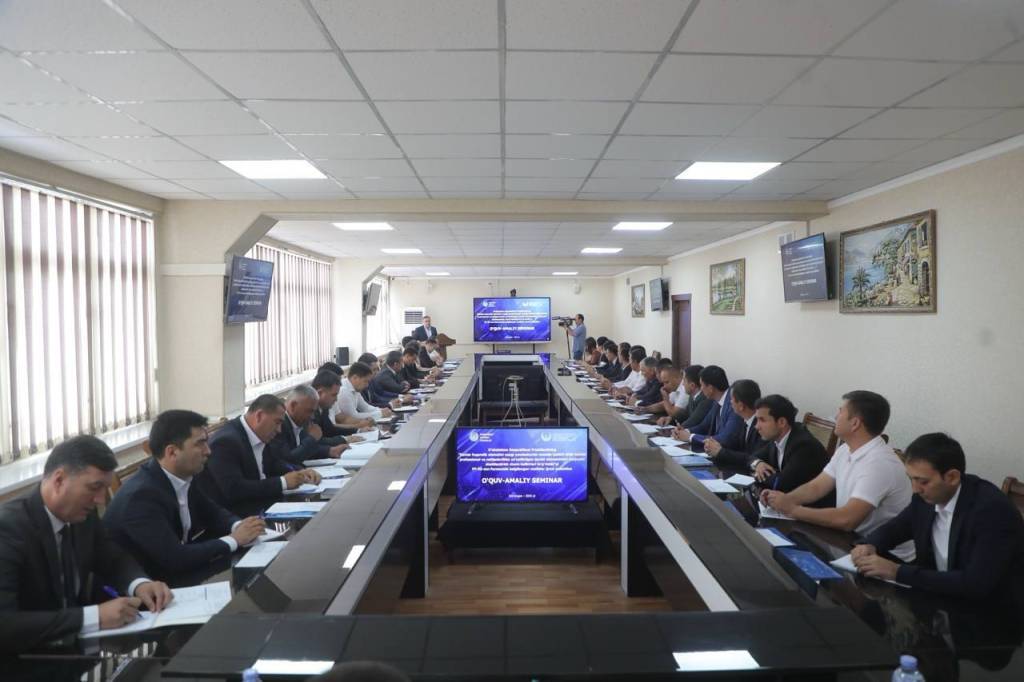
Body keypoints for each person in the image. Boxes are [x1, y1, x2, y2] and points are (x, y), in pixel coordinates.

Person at [0, 436, 172, 652]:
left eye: (104, 488)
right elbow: (4, 623)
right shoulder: (8, 528)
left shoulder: (82, 515)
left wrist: (139, 584)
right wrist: (92, 617)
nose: (100, 500)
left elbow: (111, 557)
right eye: (94, 487)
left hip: (78, 649)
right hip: (27, 657)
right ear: (59, 480)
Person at [103, 410, 266, 587]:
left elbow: (212, 512)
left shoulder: (183, 474)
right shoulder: (141, 497)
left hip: (178, 574)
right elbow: (175, 557)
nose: (208, 451)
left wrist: (240, 526)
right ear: (172, 452)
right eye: (200, 444)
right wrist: (234, 539)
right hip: (150, 587)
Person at [852, 433, 1024, 597]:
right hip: (937, 594)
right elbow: (897, 528)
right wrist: (870, 544)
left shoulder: (993, 512)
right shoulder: (926, 496)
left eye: (923, 481)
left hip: (989, 608)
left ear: (952, 477)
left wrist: (896, 571)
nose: (915, 489)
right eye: (911, 479)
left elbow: (975, 583)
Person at [761, 390, 914, 559]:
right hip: (852, 541)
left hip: (885, 555)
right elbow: (816, 487)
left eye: (840, 412)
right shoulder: (845, 449)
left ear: (855, 423)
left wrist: (793, 510)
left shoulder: (879, 464)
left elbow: (847, 519)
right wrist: (785, 499)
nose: (835, 416)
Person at [198, 394, 322, 518]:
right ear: (259, 416)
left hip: (264, 505)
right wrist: (282, 482)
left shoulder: (260, 434)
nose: (279, 430)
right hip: (237, 516)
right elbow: (234, 489)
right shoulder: (225, 442)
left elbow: (274, 463)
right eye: (277, 422)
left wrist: (299, 472)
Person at [748, 395, 832, 504]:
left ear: (782, 422)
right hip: (788, 502)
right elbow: (751, 457)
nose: (756, 426)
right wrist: (758, 464)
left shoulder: (804, 446)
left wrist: (757, 474)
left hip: (812, 509)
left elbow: (780, 484)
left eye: (762, 420)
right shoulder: (776, 437)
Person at [271, 385, 350, 466]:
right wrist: (312, 439)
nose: (312, 416)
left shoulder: (299, 421)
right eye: (309, 411)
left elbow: (304, 449)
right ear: (293, 405)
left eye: (313, 412)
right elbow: (289, 460)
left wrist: (330, 451)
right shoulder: (279, 426)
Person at [674, 365, 743, 451]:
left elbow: (725, 439)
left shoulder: (733, 404)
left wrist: (690, 437)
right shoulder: (717, 401)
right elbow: (704, 425)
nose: (701, 389)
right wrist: (685, 431)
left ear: (710, 388)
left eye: (702, 385)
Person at [702, 379, 765, 468]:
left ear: (741, 406)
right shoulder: (744, 421)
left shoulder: (761, 427)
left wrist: (721, 452)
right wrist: (716, 446)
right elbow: (735, 445)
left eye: (732, 399)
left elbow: (752, 457)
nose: (730, 402)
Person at [333, 362, 392, 427]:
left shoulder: (355, 388)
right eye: (365, 381)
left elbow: (365, 407)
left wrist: (381, 410)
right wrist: (380, 414)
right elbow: (353, 416)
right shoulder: (343, 391)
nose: (367, 385)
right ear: (355, 378)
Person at [311, 370, 362, 440]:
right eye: (333, 395)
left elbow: (330, 429)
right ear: (320, 393)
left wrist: (358, 431)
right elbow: (316, 441)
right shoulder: (309, 411)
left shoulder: (323, 407)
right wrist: (344, 440)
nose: (336, 399)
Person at [657, 364, 711, 429]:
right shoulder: (692, 396)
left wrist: (679, 428)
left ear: (692, 385)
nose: (682, 384)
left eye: (684, 381)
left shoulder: (705, 399)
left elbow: (693, 421)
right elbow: (685, 414)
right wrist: (670, 418)